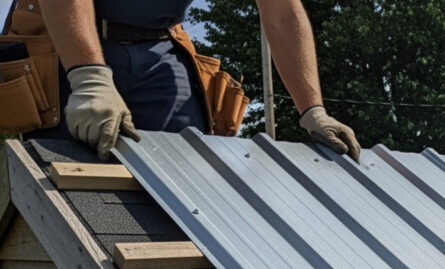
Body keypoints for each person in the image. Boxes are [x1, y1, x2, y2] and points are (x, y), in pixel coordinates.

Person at [35, 0, 360, 160]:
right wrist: (88, 77)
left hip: (162, 52)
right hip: (70, 44)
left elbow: (283, 15)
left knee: (183, 181)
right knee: (64, 182)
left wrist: (313, 111)